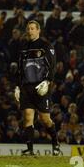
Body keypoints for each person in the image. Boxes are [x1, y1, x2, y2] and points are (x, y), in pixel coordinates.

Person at [14, 20, 60, 156]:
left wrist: (48, 81)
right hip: (26, 87)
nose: (30, 31)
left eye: (33, 29)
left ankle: (55, 143)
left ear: (38, 30)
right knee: (28, 117)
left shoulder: (46, 45)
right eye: (28, 29)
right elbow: (20, 68)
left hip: (41, 87)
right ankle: (30, 149)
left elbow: (52, 65)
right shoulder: (23, 47)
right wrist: (17, 86)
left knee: (45, 119)